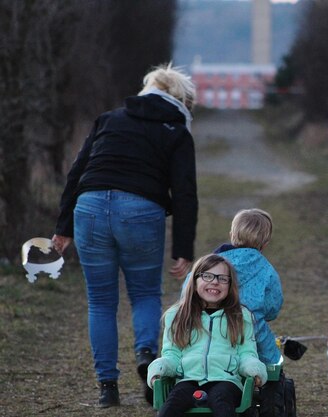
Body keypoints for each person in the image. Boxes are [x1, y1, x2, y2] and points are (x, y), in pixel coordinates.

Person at [51, 63, 199, 408]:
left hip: (88, 208)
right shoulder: (176, 130)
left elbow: (77, 171)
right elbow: (185, 192)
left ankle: (107, 387)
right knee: (145, 292)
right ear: (181, 100)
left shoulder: (109, 119)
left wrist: (63, 228)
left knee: (100, 301)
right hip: (140, 211)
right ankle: (147, 358)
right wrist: (183, 248)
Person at [148, 254, 267, 417]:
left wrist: (254, 369)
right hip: (188, 380)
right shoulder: (178, 315)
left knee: (221, 399)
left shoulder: (240, 316)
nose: (215, 282)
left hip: (226, 380)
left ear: (230, 285)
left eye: (222, 278)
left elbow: (246, 352)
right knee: (172, 404)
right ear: (195, 281)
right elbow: (172, 354)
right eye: (207, 276)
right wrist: (159, 369)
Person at [182, 208, 283, 364]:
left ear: (232, 235)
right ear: (265, 243)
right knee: (273, 360)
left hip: (205, 330)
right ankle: (269, 381)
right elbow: (272, 308)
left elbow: (186, 293)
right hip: (250, 332)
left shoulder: (210, 264)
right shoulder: (267, 271)